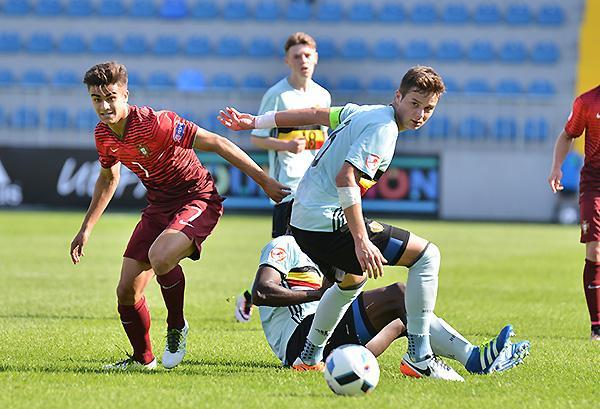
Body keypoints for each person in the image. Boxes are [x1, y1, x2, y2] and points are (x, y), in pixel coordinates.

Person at [219, 66, 461, 381]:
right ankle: (420, 357)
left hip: (303, 219)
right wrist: (361, 240)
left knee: (351, 280)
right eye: (415, 103)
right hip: (325, 220)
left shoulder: (363, 112)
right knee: (427, 256)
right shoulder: (384, 129)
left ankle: (310, 356)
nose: (420, 114)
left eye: (428, 108)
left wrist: (255, 121)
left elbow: (314, 114)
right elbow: (346, 178)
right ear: (398, 96)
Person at [70, 61, 289, 371]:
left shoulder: (157, 123)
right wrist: (86, 229)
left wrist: (264, 181)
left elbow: (218, 143)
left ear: (125, 95)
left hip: (198, 198)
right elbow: (108, 178)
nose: (104, 106)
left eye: (110, 97)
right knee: (126, 292)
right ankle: (142, 360)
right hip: (159, 207)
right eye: (96, 99)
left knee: (160, 257)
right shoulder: (103, 135)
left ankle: (176, 326)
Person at [251, 235, 530, 377]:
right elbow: (261, 292)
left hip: (329, 339)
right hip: (299, 342)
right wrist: (320, 295)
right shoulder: (285, 244)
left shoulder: (322, 250)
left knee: (406, 319)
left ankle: (422, 361)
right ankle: (472, 359)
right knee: (399, 294)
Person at [234, 32, 331, 323]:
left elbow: (324, 139)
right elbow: (257, 137)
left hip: (315, 186)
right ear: (287, 61)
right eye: (297, 56)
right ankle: (253, 296)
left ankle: (303, 305)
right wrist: (285, 145)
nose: (303, 60)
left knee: (313, 249)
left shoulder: (323, 96)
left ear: (316, 58)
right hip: (287, 186)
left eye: (307, 55)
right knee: (282, 250)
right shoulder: (278, 95)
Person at [548, 84, 600, 341]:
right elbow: (568, 135)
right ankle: (597, 327)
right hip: (595, 184)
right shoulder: (587, 101)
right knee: (595, 250)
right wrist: (557, 167)